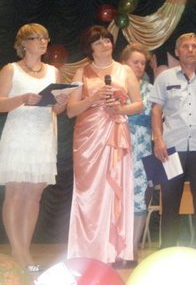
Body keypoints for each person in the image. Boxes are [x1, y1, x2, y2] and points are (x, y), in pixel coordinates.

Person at [67, 25, 142, 264]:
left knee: (115, 188)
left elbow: (139, 104)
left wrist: (120, 108)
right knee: (90, 193)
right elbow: (70, 110)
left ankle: (114, 250)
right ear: (89, 48)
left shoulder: (125, 70)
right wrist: (92, 98)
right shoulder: (81, 72)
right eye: (98, 42)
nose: (104, 45)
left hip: (116, 133)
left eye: (107, 40)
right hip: (88, 138)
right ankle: (87, 251)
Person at [0, 24, 69, 272]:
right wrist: (21, 99)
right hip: (19, 136)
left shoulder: (54, 72)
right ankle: (19, 251)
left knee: (34, 195)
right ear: (23, 43)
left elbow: (57, 110)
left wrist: (62, 101)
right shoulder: (11, 69)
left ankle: (24, 250)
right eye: (36, 38)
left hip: (43, 137)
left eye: (45, 38)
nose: (42, 42)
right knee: (16, 192)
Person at [148, 32, 196, 255]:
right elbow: (156, 110)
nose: (191, 50)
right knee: (170, 201)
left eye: (195, 46)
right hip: (171, 148)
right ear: (177, 51)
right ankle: (167, 252)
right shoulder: (165, 77)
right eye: (186, 46)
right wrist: (158, 140)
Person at [120, 42, 153, 262]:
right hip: (118, 146)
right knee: (116, 198)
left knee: (140, 199)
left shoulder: (151, 89)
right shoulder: (116, 87)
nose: (140, 66)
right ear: (124, 63)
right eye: (135, 62)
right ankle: (115, 247)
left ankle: (132, 249)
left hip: (143, 149)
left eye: (143, 63)